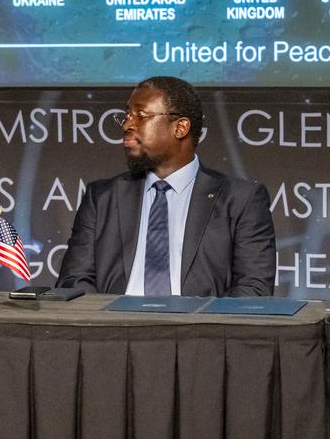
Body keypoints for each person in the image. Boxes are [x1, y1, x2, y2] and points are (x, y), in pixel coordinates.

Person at [56, 76, 275, 297]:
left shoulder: (241, 200)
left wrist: (195, 318)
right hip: (113, 317)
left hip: (201, 319)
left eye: (141, 115)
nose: (127, 125)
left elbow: (253, 289)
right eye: (127, 115)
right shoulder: (102, 197)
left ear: (180, 127)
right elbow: (74, 281)